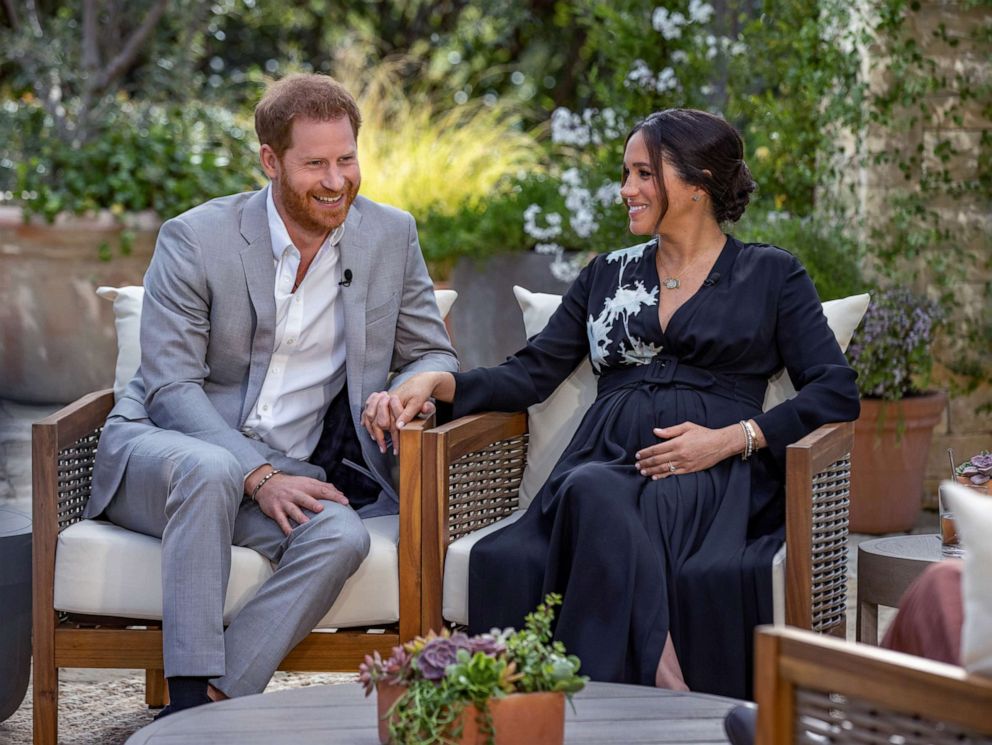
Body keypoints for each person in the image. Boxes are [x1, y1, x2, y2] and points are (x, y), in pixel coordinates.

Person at [370, 109, 860, 699]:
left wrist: (732, 439)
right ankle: (662, 673)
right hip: (603, 461)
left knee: (590, 491)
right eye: (626, 174)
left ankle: (599, 705)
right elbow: (529, 374)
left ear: (699, 181)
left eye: (643, 174)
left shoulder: (771, 274)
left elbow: (836, 388)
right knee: (587, 489)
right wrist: (437, 383)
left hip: (708, 474)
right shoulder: (606, 274)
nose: (625, 190)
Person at [87, 73, 457, 715]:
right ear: (271, 161)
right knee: (209, 469)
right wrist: (255, 474)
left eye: (347, 159)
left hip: (288, 471)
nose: (337, 180)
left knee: (341, 537)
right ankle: (185, 700)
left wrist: (404, 388)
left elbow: (430, 350)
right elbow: (172, 389)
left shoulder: (390, 236)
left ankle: (217, 698)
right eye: (315, 164)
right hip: (166, 455)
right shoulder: (196, 239)